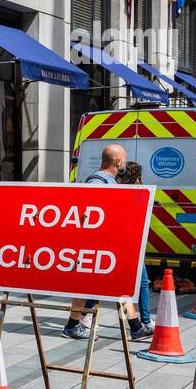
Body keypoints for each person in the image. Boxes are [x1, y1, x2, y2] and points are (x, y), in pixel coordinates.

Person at [62, 144, 152, 341]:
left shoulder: (108, 182)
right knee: (90, 286)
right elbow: (92, 217)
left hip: (109, 245)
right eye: (124, 159)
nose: (126, 163)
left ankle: (135, 326)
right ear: (118, 161)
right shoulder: (98, 183)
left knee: (116, 285)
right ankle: (72, 325)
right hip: (100, 246)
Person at [116, 161, 153, 333]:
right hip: (130, 246)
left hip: (122, 244)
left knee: (124, 286)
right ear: (136, 177)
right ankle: (143, 322)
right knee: (141, 283)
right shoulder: (137, 195)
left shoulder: (117, 191)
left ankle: (140, 323)